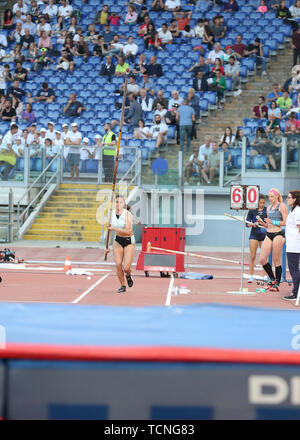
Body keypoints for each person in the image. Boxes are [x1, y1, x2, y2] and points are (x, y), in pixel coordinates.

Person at [257, 188, 288, 291]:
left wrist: (273, 221)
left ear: (276, 196)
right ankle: (272, 279)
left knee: (276, 259)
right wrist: (263, 223)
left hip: (278, 234)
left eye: (272, 196)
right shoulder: (268, 207)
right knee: (262, 259)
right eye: (269, 196)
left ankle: (277, 284)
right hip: (269, 233)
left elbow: (285, 222)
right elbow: (268, 225)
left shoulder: (282, 206)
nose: (269, 199)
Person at [106, 194, 135, 293]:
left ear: (124, 204)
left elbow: (128, 231)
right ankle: (123, 285)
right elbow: (109, 230)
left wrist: (114, 228)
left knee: (126, 267)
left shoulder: (128, 215)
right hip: (117, 240)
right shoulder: (111, 214)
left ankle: (128, 275)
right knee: (118, 265)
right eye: (116, 202)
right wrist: (107, 247)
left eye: (120, 202)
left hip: (128, 241)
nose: (118, 204)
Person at [246, 194, 268, 283]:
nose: (262, 204)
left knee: (264, 257)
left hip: (264, 235)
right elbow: (246, 224)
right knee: (252, 256)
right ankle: (251, 276)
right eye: (260, 203)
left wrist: (265, 225)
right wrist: (252, 224)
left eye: (263, 203)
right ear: (257, 202)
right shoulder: (252, 210)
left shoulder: (267, 210)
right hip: (254, 234)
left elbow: (270, 223)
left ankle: (266, 276)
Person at [283, 190, 300, 300]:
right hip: (291, 244)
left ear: (295, 199)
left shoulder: (297, 210)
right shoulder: (292, 210)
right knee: (294, 269)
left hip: (295, 245)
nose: (287, 199)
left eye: (289, 197)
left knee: (294, 269)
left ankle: (296, 292)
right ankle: (296, 291)